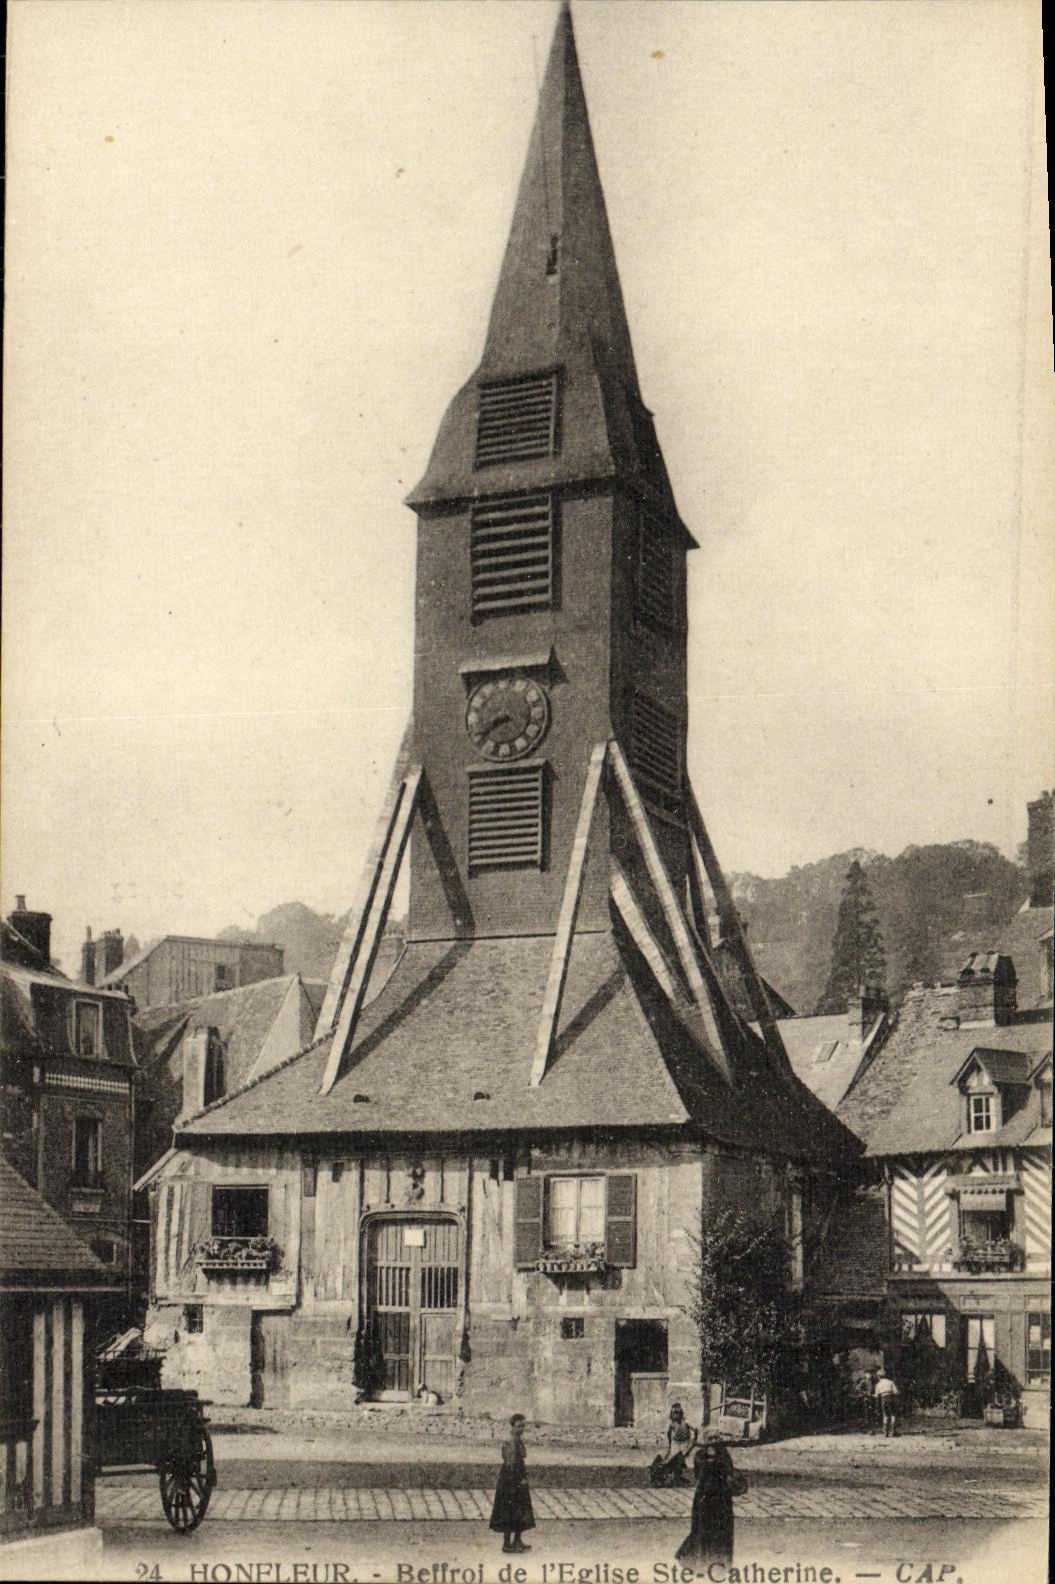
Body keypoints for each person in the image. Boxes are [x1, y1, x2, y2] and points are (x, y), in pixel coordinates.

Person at [675, 1438, 741, 1566]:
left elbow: (728, 1472)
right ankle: (699, 1560)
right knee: (703, 1530)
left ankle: (716, 1562)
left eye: (714, 1440)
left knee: (718, 1531)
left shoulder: (719, 1455)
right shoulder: (704, 1456)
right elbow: (700, 1473)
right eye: (711, 1440)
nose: (712, 1443)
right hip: (707, 1498)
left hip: (718, 1498)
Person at [489, 1413, 535, 1554]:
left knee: (521, 1509)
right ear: (512, 1426)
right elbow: (510, 1463)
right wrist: (517, 1480)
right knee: (509, 1511)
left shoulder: (517, 1440)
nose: (521, 1429)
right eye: (518, 1426)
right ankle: (507, 1543)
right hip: (510, 1479)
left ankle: (517, 1540)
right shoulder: (510, 1441)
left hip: (518, 1478)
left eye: (523, 1426)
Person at [649, 1402, 698, 1486]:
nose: (676, 1415)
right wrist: (670, 1444)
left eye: (677, 1413)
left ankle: (676, 1476)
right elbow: (668, 1432)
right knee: (672, 1459)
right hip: (676, 1443)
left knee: (680, 1458)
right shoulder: (671, 1423)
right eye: (674, 1413)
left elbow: (696, 1429)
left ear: (681, 1413)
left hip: (685, 1443)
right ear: (671, 1414)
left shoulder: (686, 1422)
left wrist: (694, 1441)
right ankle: (670, 1476)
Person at [874, 1367, 899, 1437]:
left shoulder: (878, 1384)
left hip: (884, 1399)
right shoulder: (890, 1382)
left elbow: (876, 1395)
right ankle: (893, 1431)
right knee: (893, 1414)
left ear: (878, 1377)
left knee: (885, 1415)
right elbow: (896, 1392)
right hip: (891, 1399)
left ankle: (886, 1432)